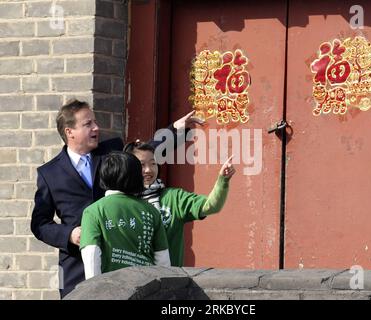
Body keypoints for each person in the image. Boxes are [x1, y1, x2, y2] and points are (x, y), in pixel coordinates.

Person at [30, 99, 201, 298]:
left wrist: (175, 130)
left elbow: (143, 154)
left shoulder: (111, 152)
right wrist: (69, 234)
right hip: (77, 268)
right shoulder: (49, 173)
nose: (96, 127)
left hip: (123, 257)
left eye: (94, 121)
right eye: (88, 124)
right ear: (70, 132)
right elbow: (40, 224)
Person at [123, 141, 236, 267]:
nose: (149, 170)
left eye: (153, 163)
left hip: (169, 280)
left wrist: (223, 181)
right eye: (142, 165)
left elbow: (210, 206)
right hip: (132, 279)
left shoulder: (173, 197)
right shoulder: (121, 202)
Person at [80, 151, 170, 280]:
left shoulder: (93, 211)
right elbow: (163, 259)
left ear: (104, 176)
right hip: (147, 288)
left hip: (109, 289)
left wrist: (93, 289)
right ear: (137, 178)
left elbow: (91, 254)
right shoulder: (151, 211)